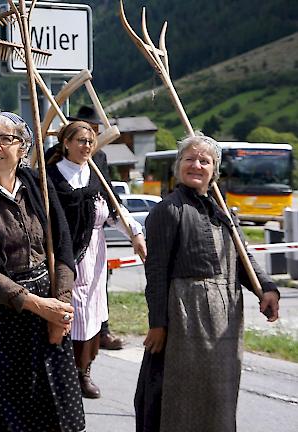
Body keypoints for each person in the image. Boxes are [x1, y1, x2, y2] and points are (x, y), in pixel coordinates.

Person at [0, 111, 85, 431]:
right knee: (8, 414)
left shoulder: (40, 186)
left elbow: (64, 249)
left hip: (49, 310)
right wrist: (39, 306)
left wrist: (60, 308)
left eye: (6, 139)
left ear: (23, 147)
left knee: (56, 410)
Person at [134, 134, 280, 432]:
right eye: (189, 159)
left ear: (215, 169)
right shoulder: (167, 210)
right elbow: (157, 272)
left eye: (205, 160)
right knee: (178, 393)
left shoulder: (223, 211)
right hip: (186, 318)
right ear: (178, 166)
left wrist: (266, 288)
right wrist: (158, 323)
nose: (196, 165)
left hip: (225, 318)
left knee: (218, 395)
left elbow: (242, 256)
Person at [46, 120, 146, 398]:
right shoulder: (51, 177)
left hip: (96, 252)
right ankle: (62, 372)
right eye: (80, 141)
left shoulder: (96, 175)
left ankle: (84, 371)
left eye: (90, 142)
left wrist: (135, 234)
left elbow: (115, 211)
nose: (86, 146)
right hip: (66, 255)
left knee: (92, 314)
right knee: (68, 311)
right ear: (66, 143)